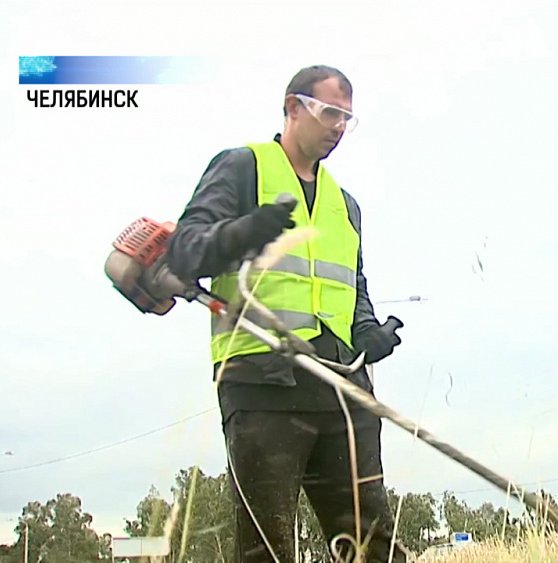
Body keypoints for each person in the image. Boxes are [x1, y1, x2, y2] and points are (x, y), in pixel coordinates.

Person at [166, 65, 408, 563]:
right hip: (263, 382)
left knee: (372, 547)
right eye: (330, 113)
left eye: (348, 118)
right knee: (267, 550)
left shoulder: (347, 204)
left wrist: (367, 331)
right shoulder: (241, 168)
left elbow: (351, 284)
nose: (339, 127)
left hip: (343, 390)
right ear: (293, 108)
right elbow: (185, 251)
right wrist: (243, 232)